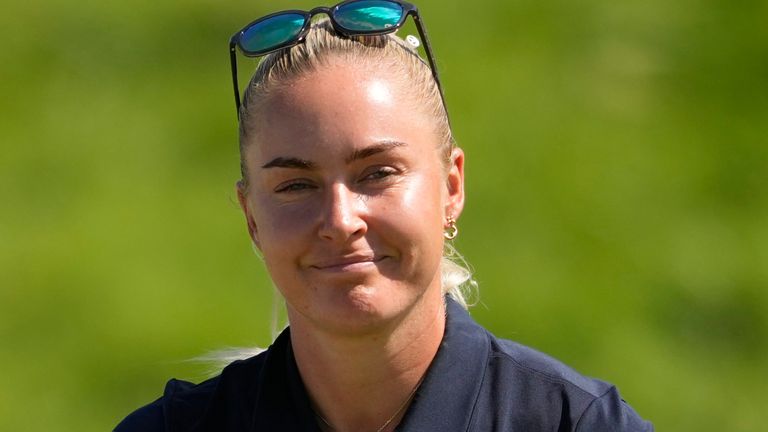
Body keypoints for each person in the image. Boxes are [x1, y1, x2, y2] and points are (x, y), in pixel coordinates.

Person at [115, 1, 653, 431]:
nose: (341, 219)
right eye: (296, 184)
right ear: (251, 217)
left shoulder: (575, 423)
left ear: (451, 186)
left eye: (377, 173)